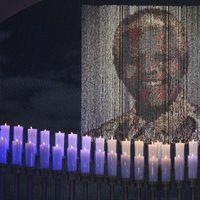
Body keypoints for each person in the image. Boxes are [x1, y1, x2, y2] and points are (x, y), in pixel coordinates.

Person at [85, 8, 199, 143]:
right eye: (135, 59)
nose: (148, 68)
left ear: (184, 65)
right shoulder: (98, 141)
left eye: (163, 57)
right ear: (119, 69)